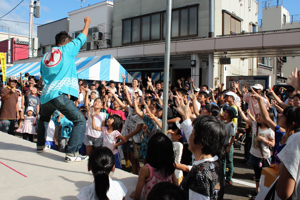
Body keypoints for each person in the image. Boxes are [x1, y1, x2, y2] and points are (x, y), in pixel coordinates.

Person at [37, 16, 91, 162]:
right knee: (80, 120)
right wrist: (87, 23)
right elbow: (82, 37)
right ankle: (72, 153)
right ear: (66, 41)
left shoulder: (45, 56)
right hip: (59, 94)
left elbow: (42, 75)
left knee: (43, 118)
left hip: (46, 96)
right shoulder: (67, 49)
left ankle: (40, 145)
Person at [175, 115, 226, 199]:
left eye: (192, 132)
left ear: (201, 143)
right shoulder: (216, 162)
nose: (189, 135)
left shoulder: (199, 177)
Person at [236, 99, 275, 195]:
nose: (258, 117)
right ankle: (257, 191)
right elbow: (245, 119)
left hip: (264, 156)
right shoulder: (255, 125)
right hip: (253, 154)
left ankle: (263, 192)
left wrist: (264, 140)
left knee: (264, 176)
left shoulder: (270, 131)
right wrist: (239, 108)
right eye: (258, 115)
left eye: (261, 115)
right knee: (257, 174)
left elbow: (273, 144)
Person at [130, 133, 176, 200]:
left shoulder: (146, 170)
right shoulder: (170, 168)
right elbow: (177, 187)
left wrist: (133, 195)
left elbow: (137, 196)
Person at [222, 106, 237, 186]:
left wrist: (229, 147)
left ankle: (229, 178)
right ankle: (223, 176)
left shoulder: (231, 124)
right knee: (223, 161)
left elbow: (233, 136)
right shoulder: (224, 123)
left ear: (231, 115)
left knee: (229, 161)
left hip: (228, 145)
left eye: (227, 112)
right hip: (223, 145)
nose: (225, 113)